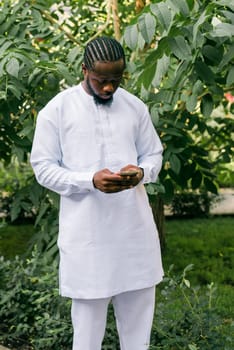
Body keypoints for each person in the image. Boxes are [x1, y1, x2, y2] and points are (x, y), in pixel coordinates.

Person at [30, 36, 164, 350]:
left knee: (138, 337)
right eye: (100, 80)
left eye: (115, 80)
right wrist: (89, 180)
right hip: (88, 239)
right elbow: (43, 168)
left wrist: (142, 172)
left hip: (135, 237)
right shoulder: (58, 110)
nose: (108, 88)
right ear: (84, 70)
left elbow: (154, 154)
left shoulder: (134, 107)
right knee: (87, 337)